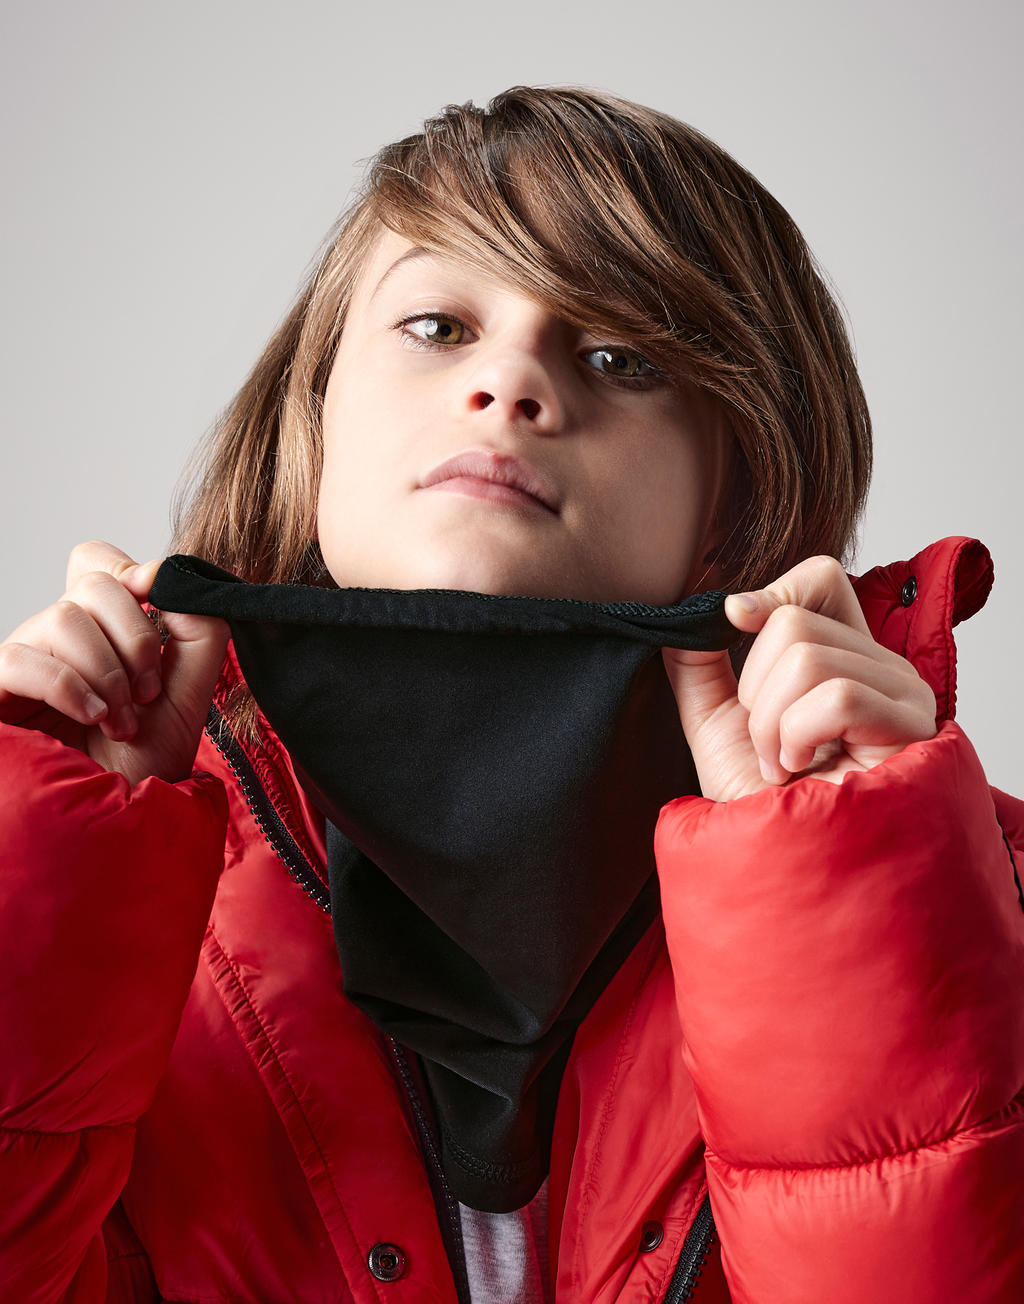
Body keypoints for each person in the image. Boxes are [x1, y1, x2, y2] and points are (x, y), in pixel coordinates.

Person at [0, 85, 1020, 1304]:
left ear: (736, 491)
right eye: (438, 326)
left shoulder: (975, 895)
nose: (509, 382)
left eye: (617, 356)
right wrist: (45, 870)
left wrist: (849, 896)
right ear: (316, 419)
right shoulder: (103, 855)